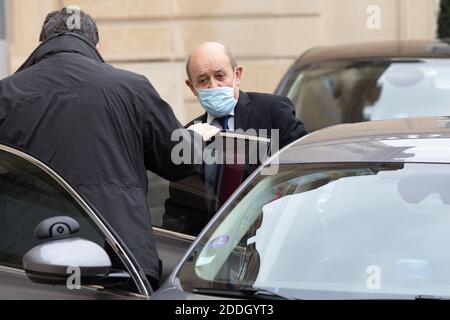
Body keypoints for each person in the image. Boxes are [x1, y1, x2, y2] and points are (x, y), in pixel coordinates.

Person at [0, 8, 214, 290]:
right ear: (97, 46)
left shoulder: (7, 93)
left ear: (41, 44)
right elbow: (181, 162)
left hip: (22, 263)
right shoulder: (130, 87)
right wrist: (195, 138)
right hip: (118, 261)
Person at [162, 42, 309, 235]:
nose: (213, 85)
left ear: (237, 75)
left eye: (220, 76)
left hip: (275, 233)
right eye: (203, 80)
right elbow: (180, 208)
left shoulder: (272, 111)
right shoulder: (190, 134)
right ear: (192, 87)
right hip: (217, 243)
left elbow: (305, 167)